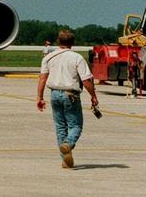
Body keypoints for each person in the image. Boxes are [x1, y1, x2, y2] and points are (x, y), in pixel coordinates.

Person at [36, 29, 99, 169]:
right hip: (71, 95)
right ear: (73, 43)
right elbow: (87, 80)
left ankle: (65, 159)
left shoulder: (48, 57)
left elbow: (42, 78)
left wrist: (39, 97)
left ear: (58, 42)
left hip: (54, 94)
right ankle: (68, 144)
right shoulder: (77, 58)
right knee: (76, 125)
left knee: (60, 127)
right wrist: (93, 96)